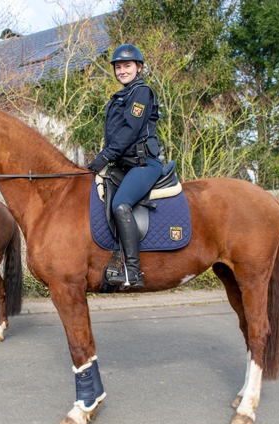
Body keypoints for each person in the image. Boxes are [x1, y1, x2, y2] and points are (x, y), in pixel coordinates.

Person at [87, 44, 162, 288]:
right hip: (123, 165)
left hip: (143, 165)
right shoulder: (120, 97)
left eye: (127, 66)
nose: (122, 71)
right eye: (118, 67)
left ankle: (132, 272)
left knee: (121, 204)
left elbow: (130, 131)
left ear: (138, 67)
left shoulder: (141, 93)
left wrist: (105, 156)